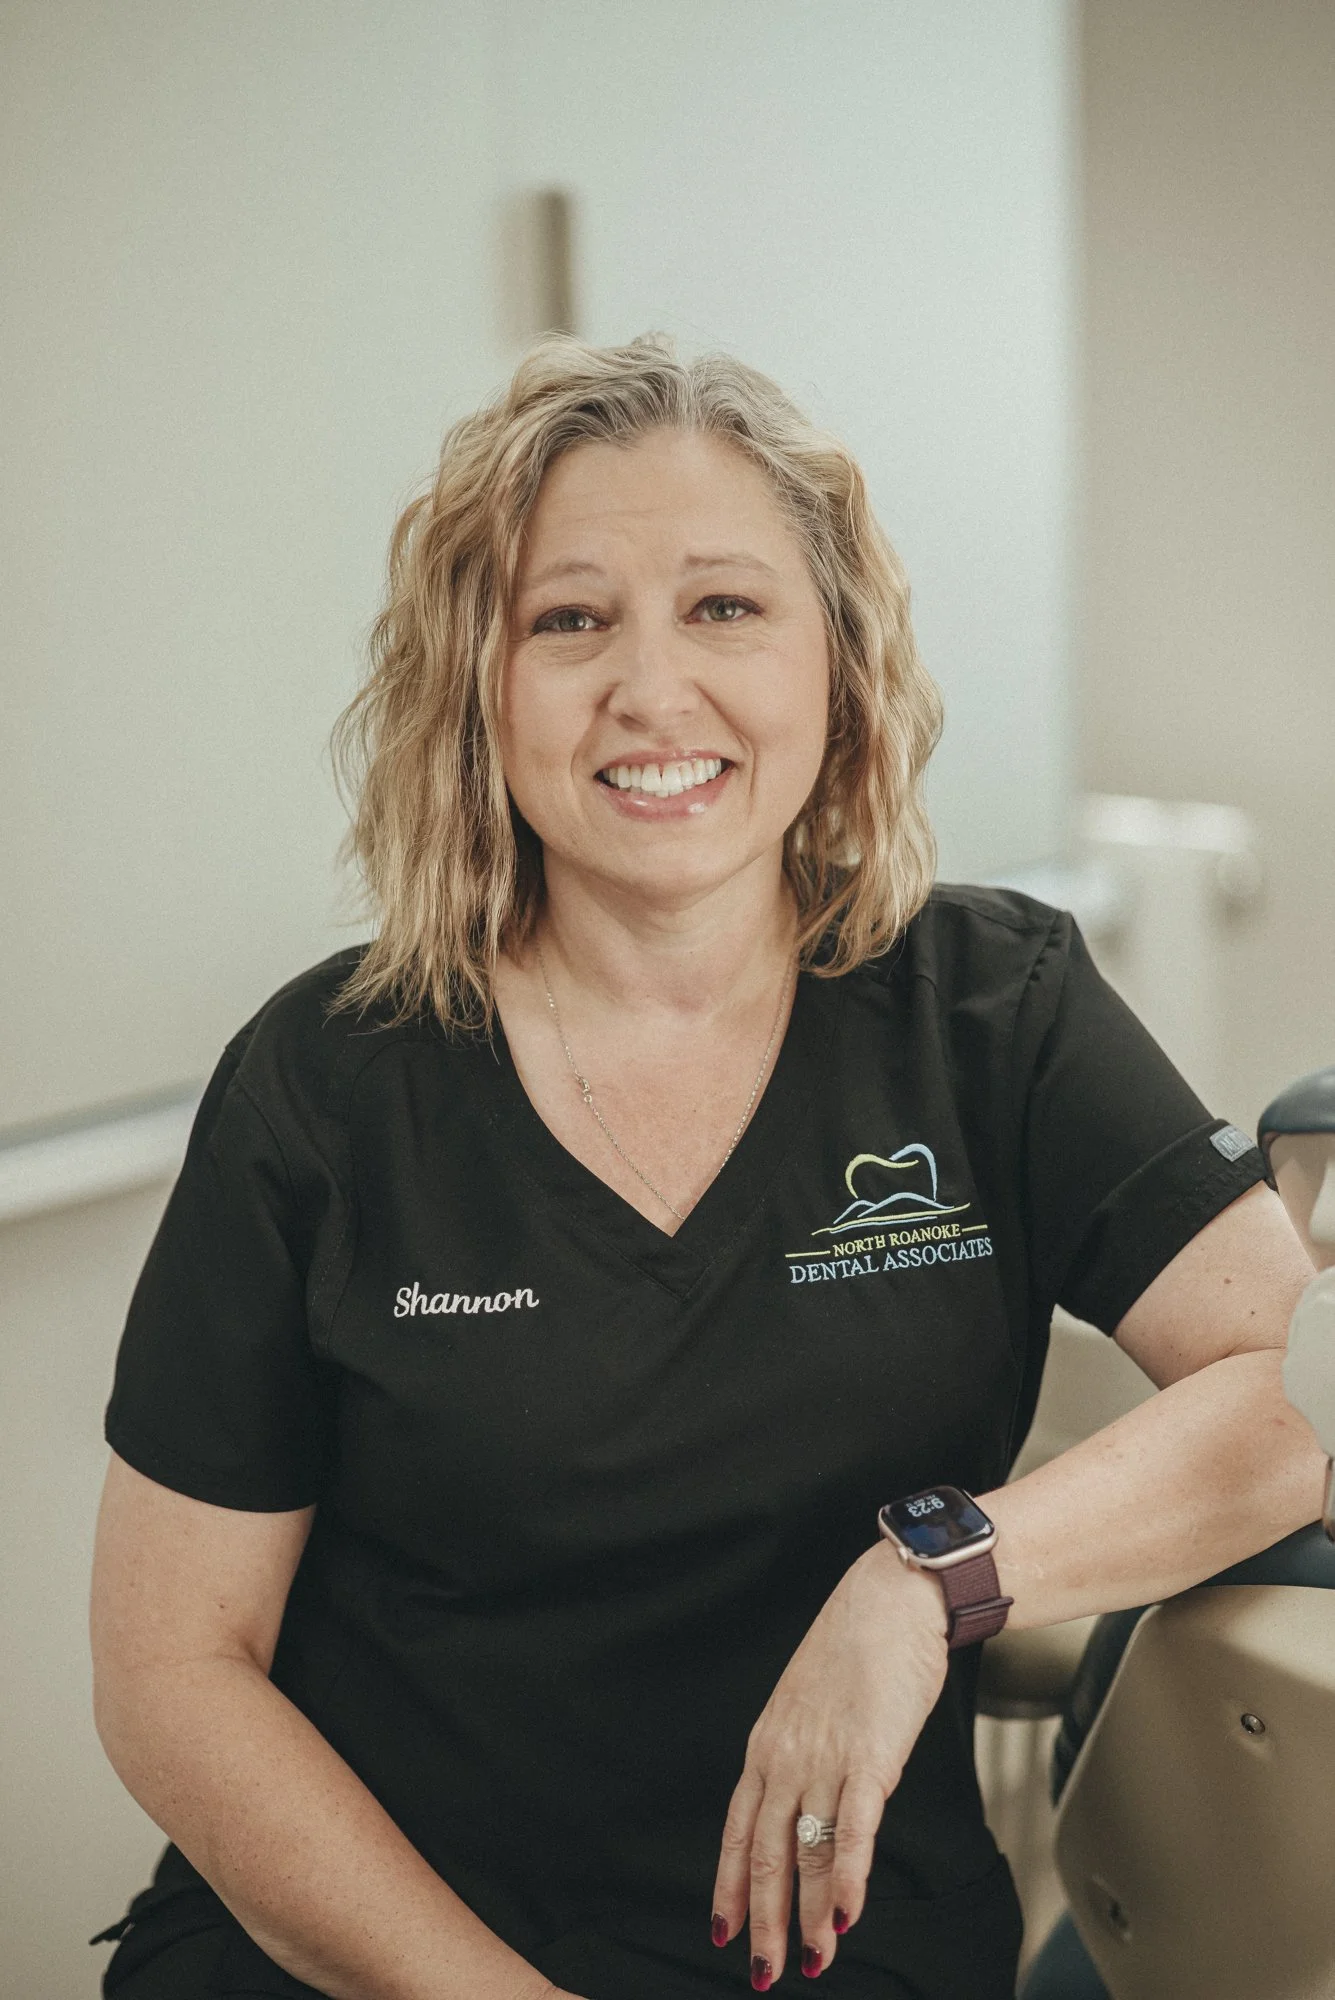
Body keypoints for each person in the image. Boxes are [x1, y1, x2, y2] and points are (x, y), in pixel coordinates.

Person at [89, 335, 1324, 2000]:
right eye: (569, 619)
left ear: (838, 665)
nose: (651, 692)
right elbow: (176, 1667)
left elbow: (1296, 1391)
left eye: (725, 608)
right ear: (477, 685)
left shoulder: (988, 1008)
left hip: (833, 1943)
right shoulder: (329, 1083)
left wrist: (928, 1580)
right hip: (373, 1948)